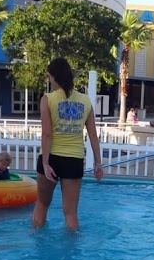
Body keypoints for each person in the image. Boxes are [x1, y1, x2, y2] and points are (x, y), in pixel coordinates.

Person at [34, 57, 103, 230]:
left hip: (51, 159)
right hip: (73, 160)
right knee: (71, 213)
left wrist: (45, 163)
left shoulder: (48, 99)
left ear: (54, 77)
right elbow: (93, 136)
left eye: (49, 76)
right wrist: (98, 163)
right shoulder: (85, 101)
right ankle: (72, 251)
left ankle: (36, 244)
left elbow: (47, 134)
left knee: (42, 205)